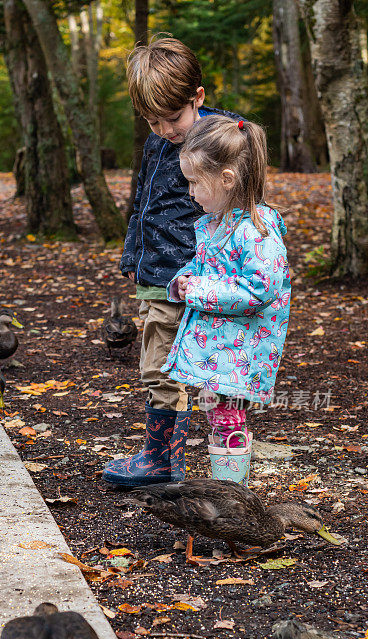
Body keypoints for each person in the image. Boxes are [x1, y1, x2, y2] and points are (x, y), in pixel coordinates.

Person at [103, 36, 241, 487]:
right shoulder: (156, 144)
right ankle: (163, 457)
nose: (163, 129)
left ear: (197, 97)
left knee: (182, 370)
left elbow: (238, 212)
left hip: (194, 278)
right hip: (154, 273)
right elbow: (142, 201)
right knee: (157, 365)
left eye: (172, 117)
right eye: (151, 120)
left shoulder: (222, 141)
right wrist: (132, 253)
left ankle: (179, 462)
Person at [162, 114, 291, 484]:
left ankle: (231, 502)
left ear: (227, 179)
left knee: (227, 419)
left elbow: (259, 289)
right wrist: (183, 281)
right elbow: (205, 267)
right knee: (219, 415)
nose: (190, 193)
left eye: (194, 183)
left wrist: (199, 291)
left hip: (239, 350)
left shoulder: (255, 232)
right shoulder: (216, 224)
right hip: (218, 349)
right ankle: (228, 496)